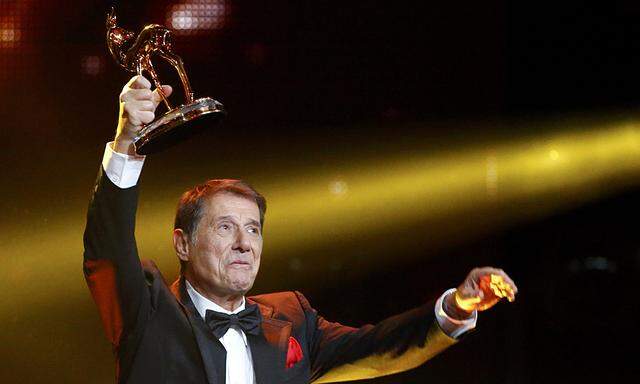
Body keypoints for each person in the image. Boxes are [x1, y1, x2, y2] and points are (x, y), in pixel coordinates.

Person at [83, 75, 518, 384]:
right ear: (182, 242)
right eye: (225, 227)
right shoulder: (148, 307)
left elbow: (378, 348)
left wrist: (459, 306)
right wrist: (126, 144)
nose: (244, 244)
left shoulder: (291, 317)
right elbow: (107, 245)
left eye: (253, 230)